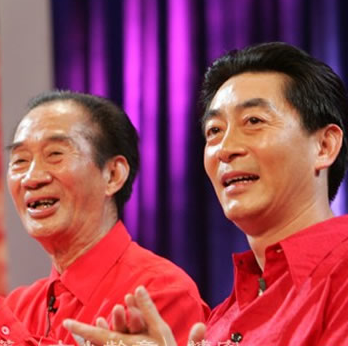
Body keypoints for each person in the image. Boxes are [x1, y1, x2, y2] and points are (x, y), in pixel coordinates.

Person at [64, 42, 348, 345]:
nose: (225, 149)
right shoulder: (222, 319)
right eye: (214, 131)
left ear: (324, 146)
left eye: (253, 121)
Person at [0, 91, 210, 345]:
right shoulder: (17, 308)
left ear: (113, 175)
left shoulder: (160, 293)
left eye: (55, 155)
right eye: (20, 161)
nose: (31, 178)